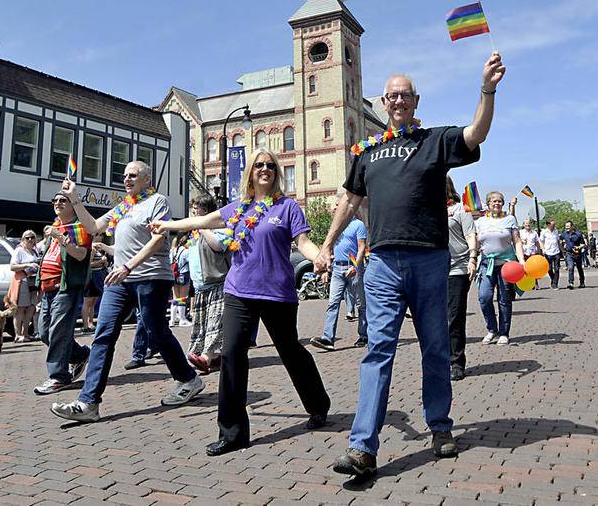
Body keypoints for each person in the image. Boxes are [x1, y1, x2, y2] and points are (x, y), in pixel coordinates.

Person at [315, 52, 505, 477]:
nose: (398, 101)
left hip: (429, 259)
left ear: (415, 102)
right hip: (381, 262)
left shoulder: (433, 141)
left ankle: (439, 426)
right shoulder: (367, 153)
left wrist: (487, 89)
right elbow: (350, 200)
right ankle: (363, 448)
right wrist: (327, 244)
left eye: (405, 96)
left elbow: (477, 133)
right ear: (383, 103)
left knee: (435, 348)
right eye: (391, 96)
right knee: (377, 351)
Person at [151, 148, 330, 455]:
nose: (265, 169)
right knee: (232, 355)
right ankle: (232, 433)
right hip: (238, 291)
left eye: (271, 165)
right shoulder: (238, 208)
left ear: (276, 172)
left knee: (291, 352)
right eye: (259, 165)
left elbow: (303, 243)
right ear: (250, 171)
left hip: (277, 292)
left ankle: (317, 404)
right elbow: (203, 220)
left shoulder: (287, 207)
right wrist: (166, 225)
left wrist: (320, 257)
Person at [50, 161, 204, 422]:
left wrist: (129, 266)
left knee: (157, 331)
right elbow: (94, 227)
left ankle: (188, 379)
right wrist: (75, 199)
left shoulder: (158, 201)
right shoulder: (124, 206)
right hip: (119, 280)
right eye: (124, 176)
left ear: (146, 178)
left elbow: (158, 240)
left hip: (151, 277)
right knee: (104, 334)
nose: (127, 180)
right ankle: (88, 403)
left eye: (132, 175)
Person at [32, 192, 92, 395]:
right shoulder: (56, 225)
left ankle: (59, 376)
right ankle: (81, 354)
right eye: (54, 200)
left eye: (62, 200)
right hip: (48, 289)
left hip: (65, 288)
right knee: (44, 332)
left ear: (73, 205)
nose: (57, 203)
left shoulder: (79, 227)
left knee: (58, 332)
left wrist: (62, 239)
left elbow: (82, 254)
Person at [310, 195, 368, 351]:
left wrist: (355, 266)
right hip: (337, 269)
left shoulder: (358, 225)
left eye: (337, 205)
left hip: (353, 268)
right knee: (332, 303)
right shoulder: (335, 227)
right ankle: (328, 338)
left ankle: (364, 335)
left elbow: (362, 247)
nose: (335, 208)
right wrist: (326, 269)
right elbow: (330, 248)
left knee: (361, 303)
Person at [184, 194, 231, 374]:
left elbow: (219, 245)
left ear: (208, 211)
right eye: (194, 207)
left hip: (218, 282)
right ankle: (208, 357)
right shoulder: (194, 234)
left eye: (199, 208)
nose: (195, 211)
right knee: (201, 325)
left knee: (214, 323)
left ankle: (206, 358)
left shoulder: (221, 228)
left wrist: (202, 225)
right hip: (200, 287)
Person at [475, 190, 524, 345]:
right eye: (494, 201)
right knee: (484, 297)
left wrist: (522, 261)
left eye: (500, 201)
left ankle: (504, 332)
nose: (497, 203)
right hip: (486, 264)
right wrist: (472, 258)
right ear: (488, 204)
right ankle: (492, 329)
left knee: (504, 299)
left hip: (506, 265)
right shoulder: (480, 222)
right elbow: (476, 243)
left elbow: (517, 241)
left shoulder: (509, 219)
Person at [445, 176, 477, 381]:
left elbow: (470, 235)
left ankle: (456, 362)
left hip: (457, 268)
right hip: (433, 269)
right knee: (436, 318)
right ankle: (440, 360)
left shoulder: (460, 210)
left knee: (454, 317)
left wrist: (473, 258)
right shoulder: (426, 208)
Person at [9, 230, 40, 342]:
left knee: (31, 308)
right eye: (27, 238)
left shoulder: (34, 251)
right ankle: (17, 335)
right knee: (20, 309)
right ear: (23, 239)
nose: (30, 239)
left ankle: (25, 333)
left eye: (32, 237)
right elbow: (12, 267)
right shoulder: (19, 251)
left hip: (33, 282)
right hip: (22, 281)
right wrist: (27, 264)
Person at [81, 236, 109, 334]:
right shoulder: (92, 248)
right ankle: (85, 325)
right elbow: (89, 264)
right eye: (99, 235)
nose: (101, 237)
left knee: (93, 301)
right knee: (87, 301)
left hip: (98, 277)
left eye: (102, 235)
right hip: (91, 277)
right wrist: (101, 261)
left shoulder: (99, 249)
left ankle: (91, 323)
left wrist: (104, 263)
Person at [169, 233, 192, 327]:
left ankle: (172, 320)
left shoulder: (172, 251)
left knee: (175, 298)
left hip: (174, 274)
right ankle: (182, 319)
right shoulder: (186, 251)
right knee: (182, 298)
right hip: (184, 274)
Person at [559, 221, 585, 289]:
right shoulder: (564, 234)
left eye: (568, 227)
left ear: (572, 226)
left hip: (577, 253)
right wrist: (562, 249)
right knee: (570, 267)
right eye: (566, 227)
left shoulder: (578, 234)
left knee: (579, 268)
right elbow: (559, 240)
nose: (567, 228)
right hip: (569, 253)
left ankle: (582, 282)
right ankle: (571, 283)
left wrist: (578, 247)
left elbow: (583, 244)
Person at [539, 220, 561, 289]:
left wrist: (562, 250)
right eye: (552, 225)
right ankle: (553, 279)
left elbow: (558, 241)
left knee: (557, 269)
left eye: (554, 224)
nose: (554, 226)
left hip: (556, 252)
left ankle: (555, 284)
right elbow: (541, 241)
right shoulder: (544, 232)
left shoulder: (556, 231)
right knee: (549, 269)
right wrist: (543, 249)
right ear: (548, 225)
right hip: (548, 252)